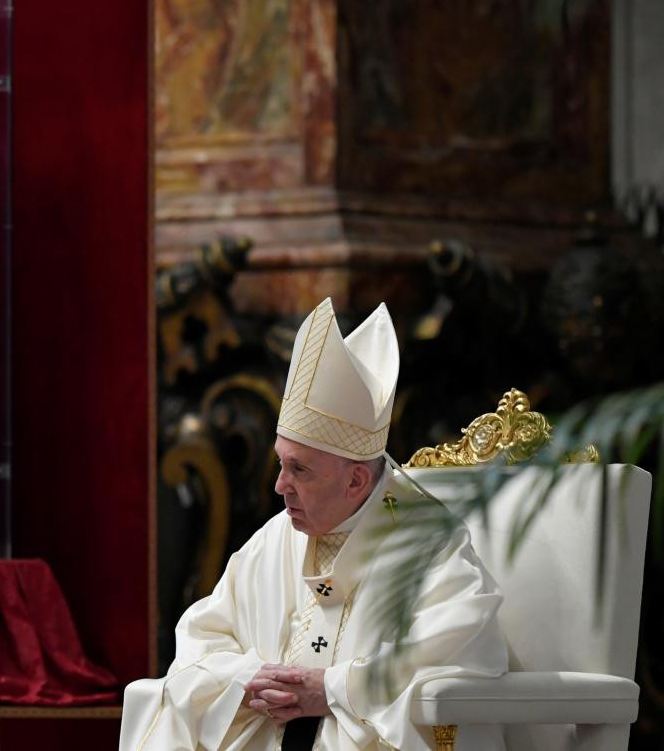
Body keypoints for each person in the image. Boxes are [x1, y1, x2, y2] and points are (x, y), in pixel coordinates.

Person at [120, 298, 508, 750]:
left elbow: (458, 650)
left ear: (356, 480)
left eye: (300, 470)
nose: (280, 486)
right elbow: (202, 637)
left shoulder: (428, 544)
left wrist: (333, 688)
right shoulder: (276, 536)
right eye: (280, 464)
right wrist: (247, 677)